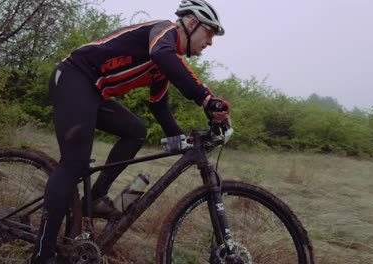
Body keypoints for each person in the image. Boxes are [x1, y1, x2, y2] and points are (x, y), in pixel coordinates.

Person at [29, 0, 230, 263]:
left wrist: (181, 138)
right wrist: (206, 98)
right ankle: (41, 256)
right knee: (73, 164)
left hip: (94, 91)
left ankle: (96, 196)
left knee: (136, 130)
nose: (210, 42)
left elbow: (158, 105)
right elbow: (163, 55)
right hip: (72, 76)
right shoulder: (163, 33)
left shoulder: (163, 65)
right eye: (210, 33)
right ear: (192, 24)